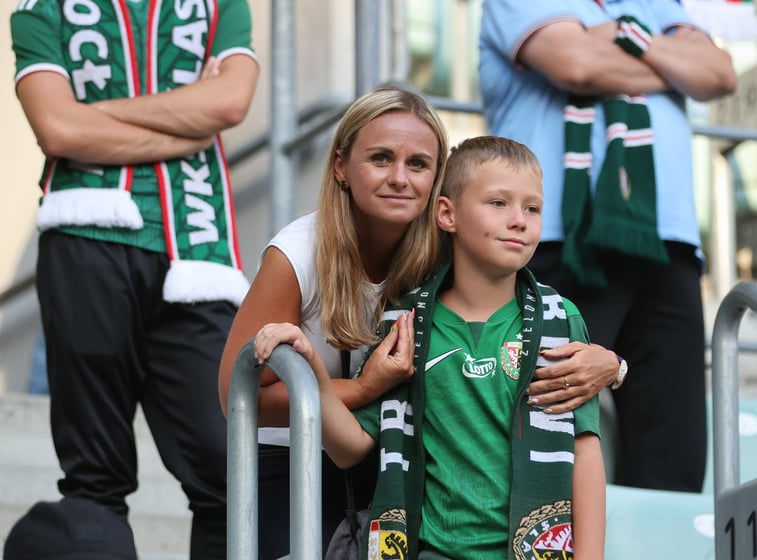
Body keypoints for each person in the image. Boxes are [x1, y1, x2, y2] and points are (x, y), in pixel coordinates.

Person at [217, 86, 616, 558]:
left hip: (390, 459)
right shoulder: (302, 251)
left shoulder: (457, 257)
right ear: (341, 166)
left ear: (438, 185)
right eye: (381, 158)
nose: (400, 179)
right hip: (296, 451)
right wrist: (359, 387)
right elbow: (238, 396)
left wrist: (613, 363)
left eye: (419, 165)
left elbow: (578, 436)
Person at [9, 1, 260, 558]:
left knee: (231, 469)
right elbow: (58, 127)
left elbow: (231, 100)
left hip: (197, 248)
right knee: (96, 478)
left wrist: (98, 117)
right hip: (86, 237)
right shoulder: (41, 6)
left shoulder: (223, 4)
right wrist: (189, 126)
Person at [478, 0, 737, 492]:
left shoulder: (658, 4)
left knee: (673, 453)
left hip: (667, 242)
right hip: (554, 240)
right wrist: (666, 60)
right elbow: (576, 63)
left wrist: (620, 38)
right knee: (544, 434)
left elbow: (718, 75)